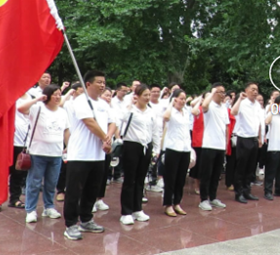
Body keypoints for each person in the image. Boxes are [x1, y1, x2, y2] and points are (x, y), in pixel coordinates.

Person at [63, 71, 115, 241]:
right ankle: (70, 224)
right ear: (88, 84)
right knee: (74, 191)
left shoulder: (104, 104)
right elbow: (89, 123)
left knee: (92, 190)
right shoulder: (80, 101)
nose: (102, 85)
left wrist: (108, 139)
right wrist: (106, 138)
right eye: (99, 82)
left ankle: (86, 219)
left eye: (104, 82)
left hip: (98, 155)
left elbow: (112, 122)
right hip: (80, 154)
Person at [19, 85, 69, 223]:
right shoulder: (38, 108)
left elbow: (66, 131)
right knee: (34, 182)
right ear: (47, 96)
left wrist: (68, 146)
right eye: (55, 94)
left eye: (59, 94)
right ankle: (30, 209)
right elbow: (21, 109)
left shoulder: (62, 112)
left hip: (56, 153)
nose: (58, 97)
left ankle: (49, 207)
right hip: (38, 152)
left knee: (51, 182)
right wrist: (37, 99)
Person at [118, 84, 160, 225]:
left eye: (149, 95)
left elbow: (155, 131)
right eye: (145, 95)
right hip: (131, 145)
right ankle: (126, 211)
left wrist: (156, 148)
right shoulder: (130, 111)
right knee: (130, 179)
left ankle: (137, 209)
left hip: (146, 147)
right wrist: (130, 104)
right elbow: (120, 119)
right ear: (137, 96)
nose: (148, 98)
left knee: (141, 179)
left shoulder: (151, 112)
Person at [193, 83, 229, 211]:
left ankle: (213, 197)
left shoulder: (224, 107)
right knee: (206, 174)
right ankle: (203, 199)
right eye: (219, 92)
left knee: (216, 174)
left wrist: (226, 143)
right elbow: (204, 106)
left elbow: (226, 126)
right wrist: (212, 92)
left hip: (220, 146)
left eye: (223, 92)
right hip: (209, 145)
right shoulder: (210, 106)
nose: (222, 94)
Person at [161, 89, 192, 217]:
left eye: (184, 99)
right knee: (170, 178)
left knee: (181, 178)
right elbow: (166, 118)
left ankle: (177, 202)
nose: (182, 101)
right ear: (174, 99)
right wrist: (171, 104)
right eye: (180, 98)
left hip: (185, 148)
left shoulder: (186, 112)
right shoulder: (170, 111)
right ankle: (168, 204)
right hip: (173, 148)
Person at [231, 82, 264, 203]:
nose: (255, 91)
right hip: (243, 139)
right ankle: (238, 193)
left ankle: (247, 190)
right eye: (252, 89)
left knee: (251, 168)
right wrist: (239, 99)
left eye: (257, 89)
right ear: (246, 90)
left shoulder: (257, 105)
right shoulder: (242, 103)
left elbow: (259, 122)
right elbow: (233, 112)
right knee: (241, 167)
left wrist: (260, 137)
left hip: (254, 139)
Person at [263, 95, 280, 200]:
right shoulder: (273, 114)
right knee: (271, 171)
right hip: (274, 147)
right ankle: (268, 191)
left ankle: (279, 189)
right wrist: (273, 109)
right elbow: (266, 122)